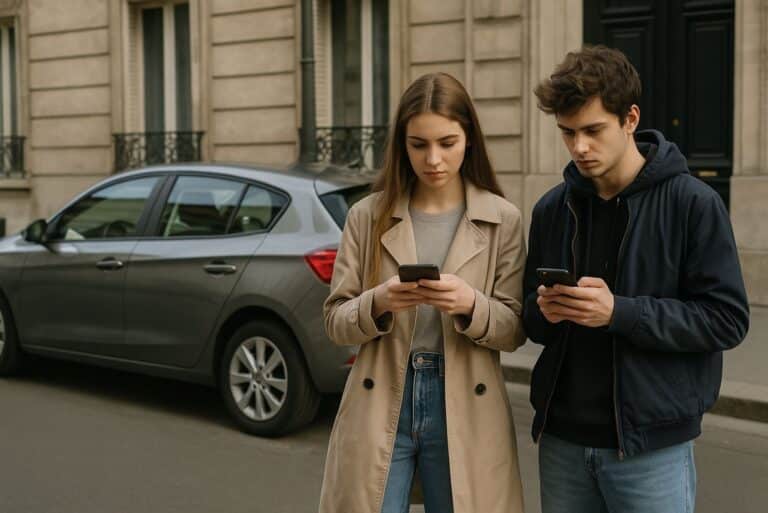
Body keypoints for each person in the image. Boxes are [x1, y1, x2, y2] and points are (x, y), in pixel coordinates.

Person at [522, 45, 750, 513]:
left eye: (592, 130)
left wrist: (620, 312)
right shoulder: (552, 209)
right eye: (567, 133)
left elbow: (727, 319)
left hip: (651, 450)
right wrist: (542, 310)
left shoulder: (693, 204)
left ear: (630, 118)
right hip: (562, 440)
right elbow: (532, 321)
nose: (579, 147)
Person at [318, 72, 527, 513]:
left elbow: (515, 329)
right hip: (381, 397)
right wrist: (379, 301)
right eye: (418, 144)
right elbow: (335, 322)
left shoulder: (502, 219)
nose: (433, 159)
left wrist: (472, 305)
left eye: (447, 143)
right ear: (401, 144)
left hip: (465, 402)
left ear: (468, 139)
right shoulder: (367, 216)